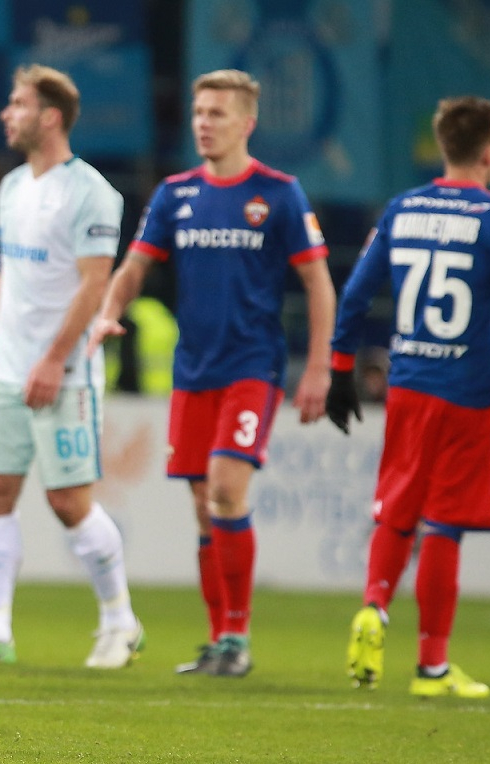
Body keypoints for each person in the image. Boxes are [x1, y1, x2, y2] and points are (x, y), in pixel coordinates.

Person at [88, 69, 336, 677]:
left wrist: (319, 367)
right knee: (204, 505)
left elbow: (317, 282)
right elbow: (134, 266)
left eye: (217, 113)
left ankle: (238, 636)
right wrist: (110, 311)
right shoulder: (176, 194)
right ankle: (220, 638)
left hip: (253, 367)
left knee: (226, 488)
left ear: (247, 123)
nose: (204, 123)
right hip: (193, 371)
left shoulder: (279, 194)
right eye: (199, 112)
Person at [328, 96, 490, 698]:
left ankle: (374, 606)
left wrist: (341, 368)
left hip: (408, 386)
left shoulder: (403, 208)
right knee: (445, 524)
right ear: (489, 152)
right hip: (469, 395)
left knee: (397, 509)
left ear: (443, 145)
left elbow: (356, 294)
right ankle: (431, 667)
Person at [0, 64, 145, 670]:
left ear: (50, 116)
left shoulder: (92, 193)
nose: (7, 113)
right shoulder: (13, 186)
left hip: (64, 373)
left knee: (68, 501)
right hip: (5, 369)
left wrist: (53, 360)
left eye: (18, 104)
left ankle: (120, 623)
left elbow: (95, 284)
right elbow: (10, 278)